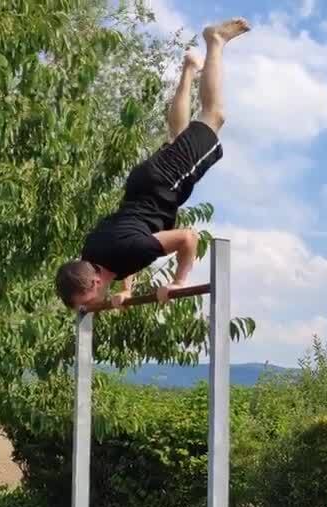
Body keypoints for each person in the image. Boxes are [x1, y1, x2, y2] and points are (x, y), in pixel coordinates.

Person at [54, 18, 251, 311]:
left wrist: (178, 282)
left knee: (213, 117)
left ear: (94, 283)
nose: (94, 305)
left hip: (164, 183)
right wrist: (126, 288)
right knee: (177, 137)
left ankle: (215, 41)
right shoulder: (92, 255)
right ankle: (188, 69)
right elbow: (126, 253)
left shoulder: (125, 252)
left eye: (90, 302)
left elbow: (187, 237)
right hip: (142, 185)